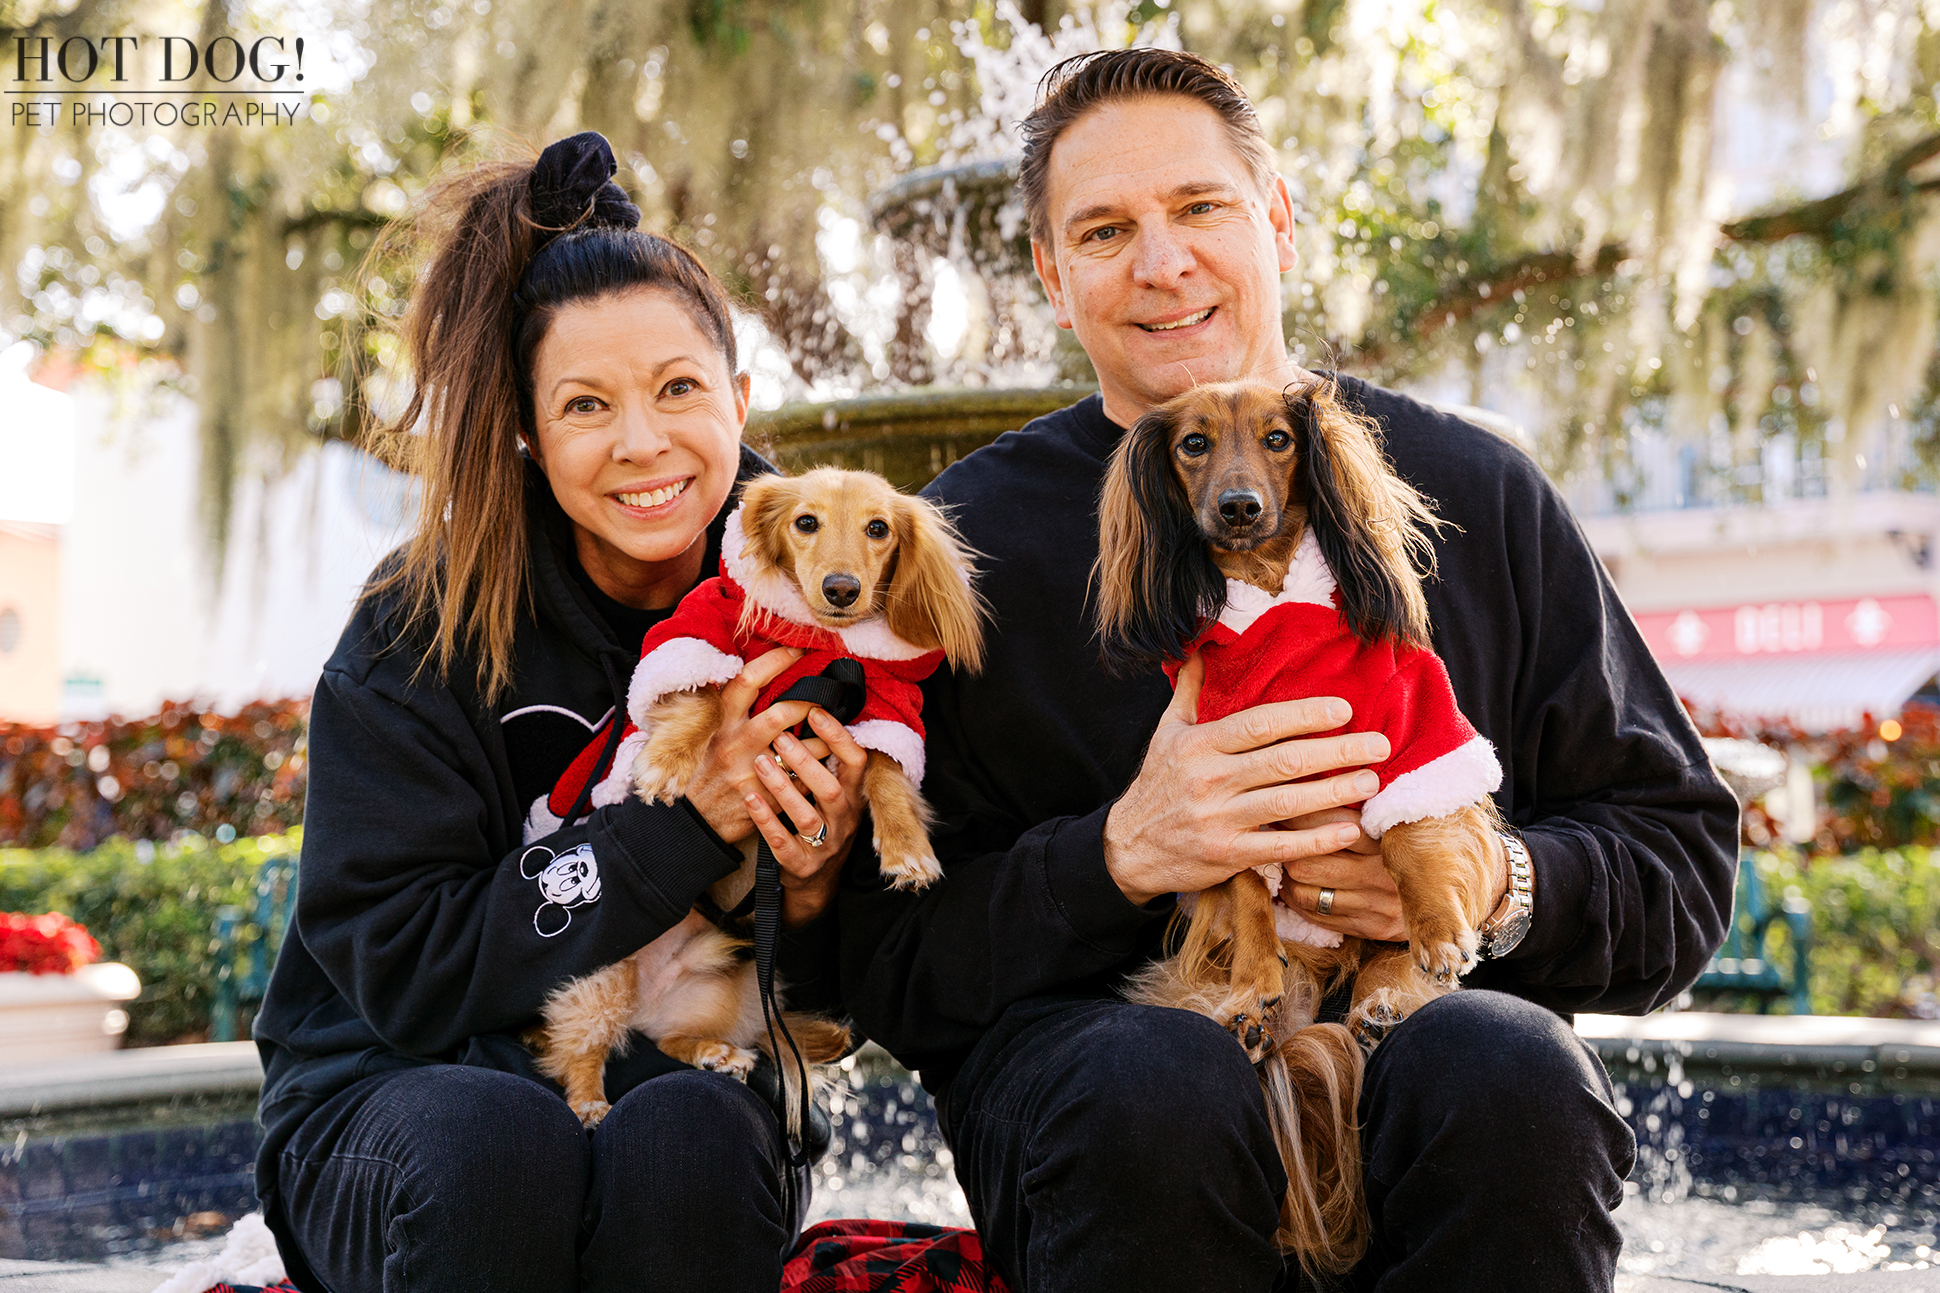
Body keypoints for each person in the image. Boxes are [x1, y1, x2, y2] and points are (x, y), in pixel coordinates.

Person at [837, 49, 1739, 1292]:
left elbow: (1678, 859)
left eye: (1199, 208)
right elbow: (869, 953)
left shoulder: (1470, 494)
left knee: (1510, 1071)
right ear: (1050, 276)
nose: (1161, 264)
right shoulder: (955, 546)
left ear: (1276, 223)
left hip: (1420, 1050)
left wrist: (1487, 887)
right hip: (1097, 1093)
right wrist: (1115, 855)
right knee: (1153, 1083)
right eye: (1104, 230)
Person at [251, 132, 867, 1293]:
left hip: (677, 1080)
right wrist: (690, 821)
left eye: (679, 389)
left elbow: (845, 994)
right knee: (498, 1143)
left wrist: (824, 884)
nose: (644, 443)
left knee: (689, 1134)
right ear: (530, 434)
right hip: (396, 1094)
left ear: (738, 396)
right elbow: (407, 969)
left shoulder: (821, 609)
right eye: (587, 405)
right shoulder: (418, 625)